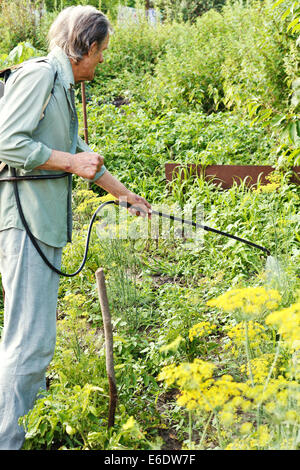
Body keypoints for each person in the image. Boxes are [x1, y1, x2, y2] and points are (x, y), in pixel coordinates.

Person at [0, 5, 151, 450]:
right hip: (25, 225)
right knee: (28, 344)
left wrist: (124, 195)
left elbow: (76, 149)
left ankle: (27, 421)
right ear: (86, 47)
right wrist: (71, 162)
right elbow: (7, 140)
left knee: (35, 340)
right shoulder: (41, 76)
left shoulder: (62, 86)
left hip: (40, 225)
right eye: (101, 51)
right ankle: (10, 439)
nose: (102, 60)